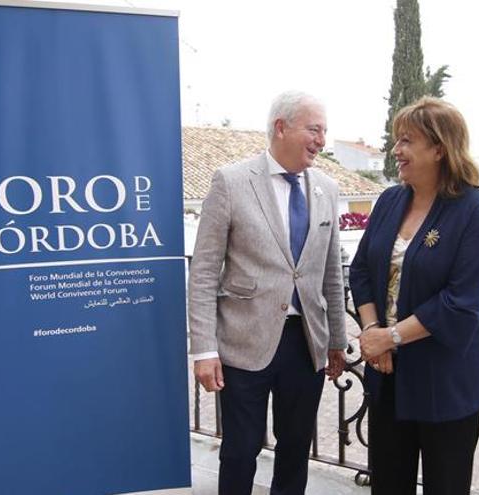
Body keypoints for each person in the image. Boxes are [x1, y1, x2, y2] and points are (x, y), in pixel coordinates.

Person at [188, 91, 347, 495]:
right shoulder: (232, 181)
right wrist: (203, 350)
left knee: (295, 449)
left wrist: (337, 340)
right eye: (314, 129)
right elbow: (204, 271)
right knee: (240, 451)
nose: (321, 139)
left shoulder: (327, 188)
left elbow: (331, 273)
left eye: (324, 130)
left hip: (306, 342)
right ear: (281, 127)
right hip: (244, 342)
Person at [350, 97, 479, 494]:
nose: (396, 150)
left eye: (406, 141)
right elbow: (362, 268)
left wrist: (390, 337)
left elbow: (461, 301)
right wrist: (373, 330)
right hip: (388, 372)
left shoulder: (474, 209)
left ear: (439, 148)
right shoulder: (389, 200)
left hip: (446, 379)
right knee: (389, 483)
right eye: (396, 141)